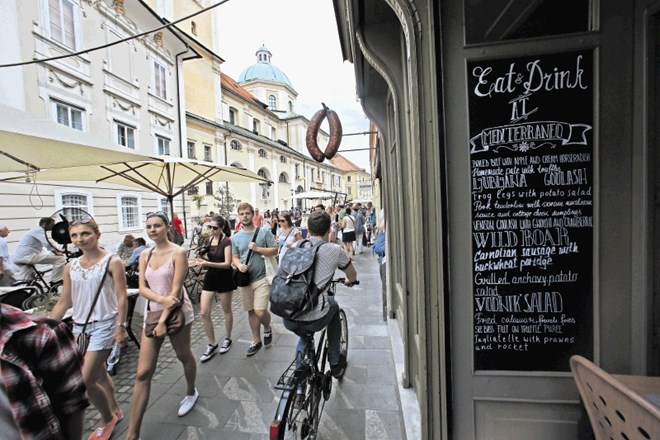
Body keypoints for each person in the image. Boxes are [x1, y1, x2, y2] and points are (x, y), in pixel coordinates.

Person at [50, 219, 129, 440]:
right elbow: (65, 301)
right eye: (74, 235)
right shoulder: (70, 266)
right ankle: (115, 409)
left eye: (85, 234)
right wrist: (45, 326)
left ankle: (106, 419)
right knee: (100, 374)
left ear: (97, 234)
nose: (79, 239)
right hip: (80, 327)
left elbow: (122, 296)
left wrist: (121, 327)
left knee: (84, 381)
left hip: (105, 324)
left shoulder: (112, 262)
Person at [125, 212, 198, 440]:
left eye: (157, 225)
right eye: (149, 226)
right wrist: (160, 303)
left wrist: (164, 318)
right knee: (143, 372)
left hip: (176, 312)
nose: (153, 230)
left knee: (183, 355)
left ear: (167, 227)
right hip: (152, 312)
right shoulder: (145, 254)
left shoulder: (178, 253)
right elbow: (143, 288)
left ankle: (190, 391)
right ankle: (132, 433)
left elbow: (175, 291)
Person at [282, 211, 357, 378]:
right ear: (329, 230)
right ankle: (335, 362)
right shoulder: (335, 250)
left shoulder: (296, 246)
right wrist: (349, 281)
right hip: (315, 317)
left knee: (303, 336)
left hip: (289, 314)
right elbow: (352, 275)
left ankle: (299, 389)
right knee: (334, 306)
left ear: (307, 229)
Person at [0, 303, 90, 439]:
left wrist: (121, 326)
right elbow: (65, 298)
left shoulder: (38, 335)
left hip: (100, 322)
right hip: (80, 322)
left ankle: (111, 415)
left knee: (94, 377)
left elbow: (72, 408)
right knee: (95, 378)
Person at [231, 203, 278, 356]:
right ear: (239, 216)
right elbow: (235, 257)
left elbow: (275, 250)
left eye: (247, 213)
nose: (244, 216)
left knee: (260, 310)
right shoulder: (236, 237)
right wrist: (238, 265)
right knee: (251, 311)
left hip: (262, 277)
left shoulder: (264, 232)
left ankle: (267, 326)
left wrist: (258, 249)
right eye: (242, 214)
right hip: (245, 280)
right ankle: (256, 340)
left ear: (253, 215)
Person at [196, 215, 236, 361]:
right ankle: (212, 343)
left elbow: (227, 264)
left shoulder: (227, 241)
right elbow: (209, 259)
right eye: (210, 227)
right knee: (204, 311)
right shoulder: (207, 240)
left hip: (224, 276)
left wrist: (207, 264)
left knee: (226, 309)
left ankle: (228, 337)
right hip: (211, 276)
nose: (212, 230)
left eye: (215, 228)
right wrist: (202, 258)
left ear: (221, 228)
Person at [13, 217, 66, 285]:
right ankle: (55, 281)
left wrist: (60, 250)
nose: (54, 226)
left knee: (27, 281)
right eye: (52, 224)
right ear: (45, 224)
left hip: (19, 257)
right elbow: (47, 243)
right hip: (28, 256)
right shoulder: (39, 230)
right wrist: (56, 252)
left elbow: (50, 243)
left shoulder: (35, 230)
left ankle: (26, 293)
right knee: (60, 259)